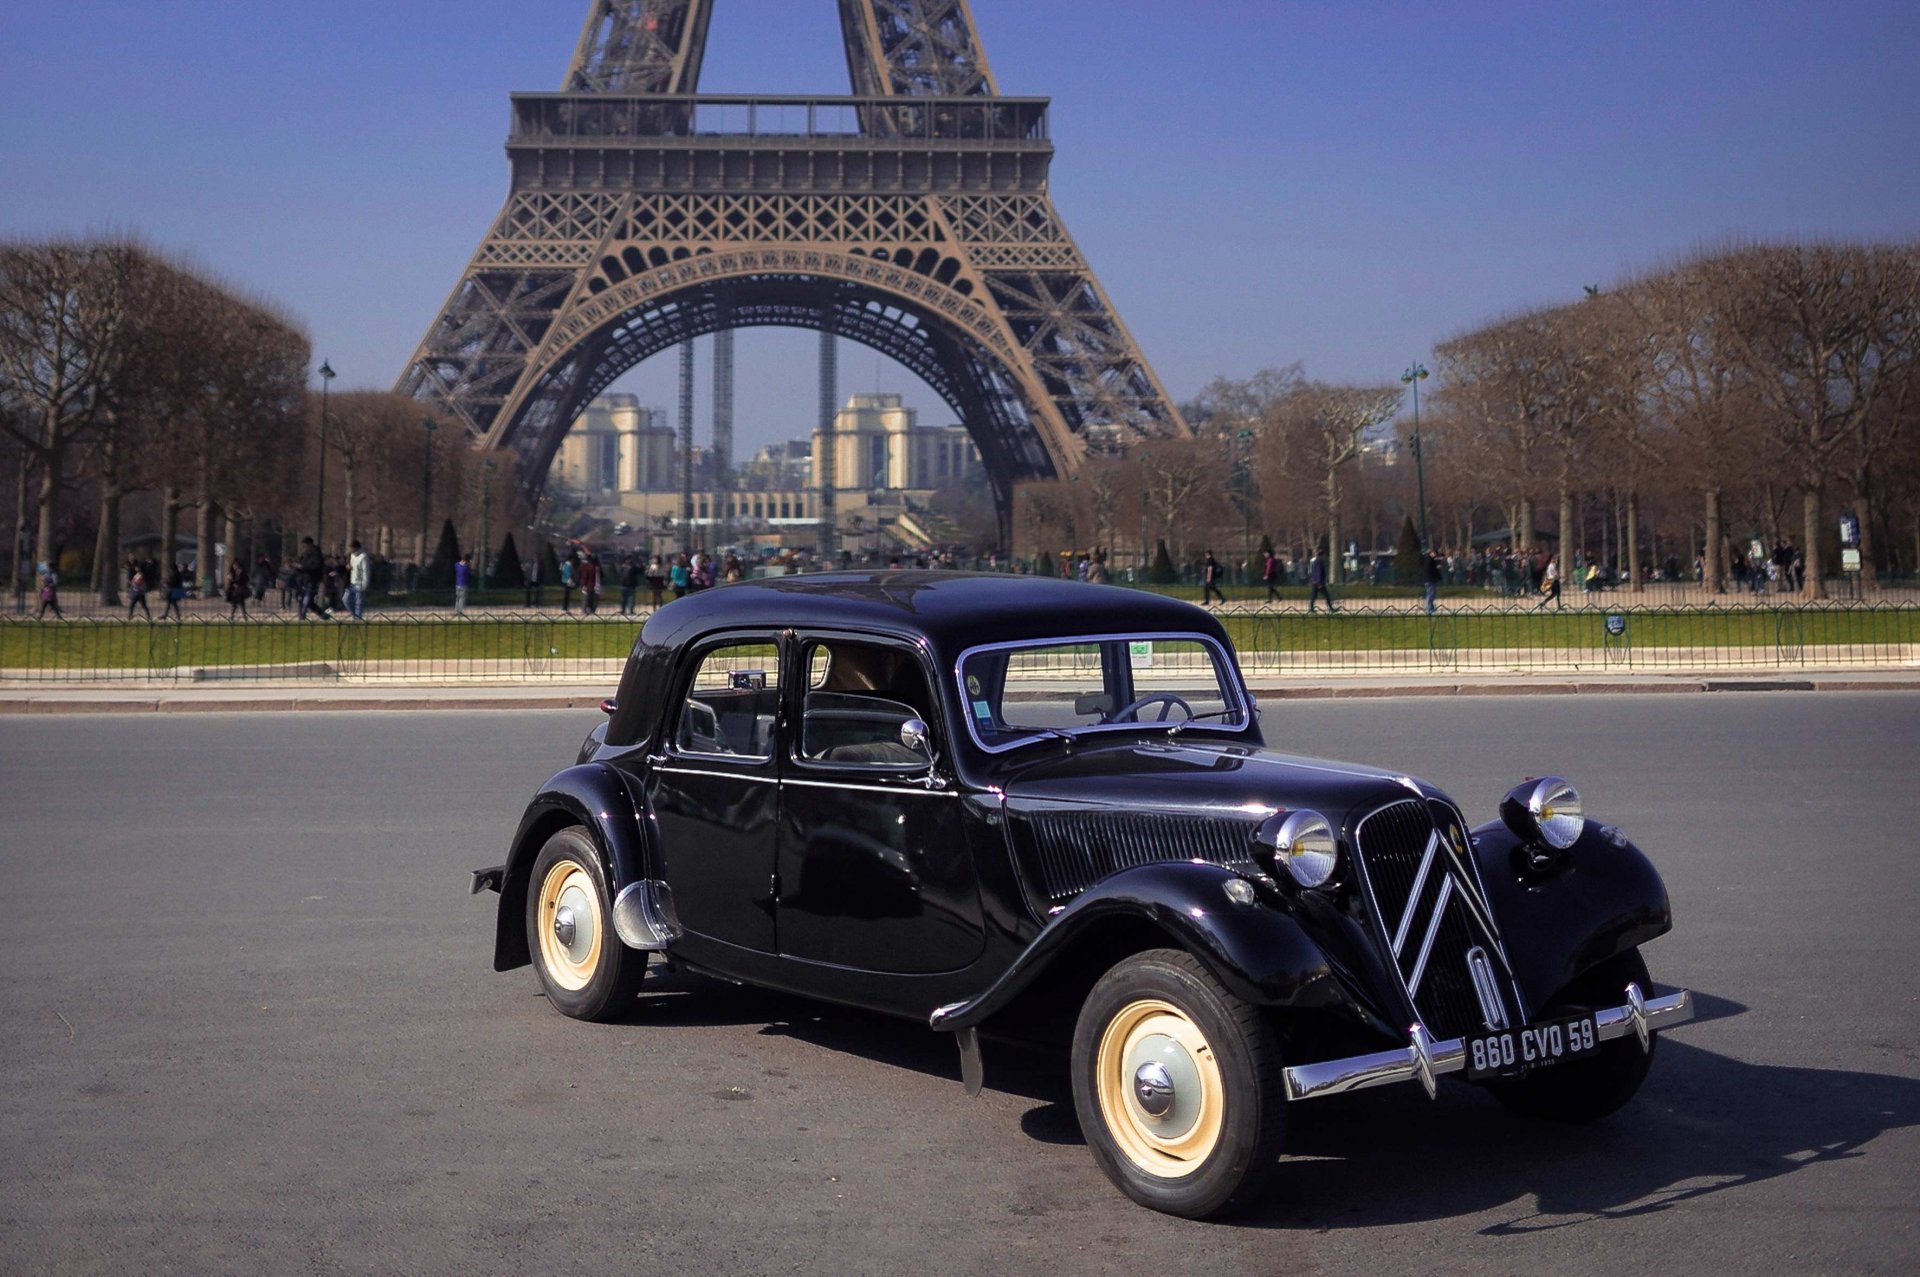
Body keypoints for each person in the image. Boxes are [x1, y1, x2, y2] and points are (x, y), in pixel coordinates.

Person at [297, 537, 329, 620]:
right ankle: (321, 614)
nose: (304, 547)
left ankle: (302, 616)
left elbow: (316, 566)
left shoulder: (316, 554)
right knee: (304, 599)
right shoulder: (305, 553)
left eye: (305, 545)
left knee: (307, 599)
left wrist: (303, 567)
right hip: (304, 579)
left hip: (312, 579)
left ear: (310, 544)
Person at [1307, 547, 1336, 614]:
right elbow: (1318, 572)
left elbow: (1314, 572)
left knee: (1314, 596)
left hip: (1315, 582)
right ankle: (1331, 608)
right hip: (1319, 582)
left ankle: (1311, 609)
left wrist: (1313, 580)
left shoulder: (1315, 561)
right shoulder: (1320, 561)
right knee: (1327, 595)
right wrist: (1319, 582)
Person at [346, 540, 370, 621]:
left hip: (360, 583)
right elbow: (352, 565)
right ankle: (355, 614)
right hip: (352, 582)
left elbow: (365, 571)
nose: (350, 550)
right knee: (346, 599)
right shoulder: (352, 555)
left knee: (359, 602)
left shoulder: (363, 556)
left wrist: (365, 584)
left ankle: (358, 618)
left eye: (351, 548)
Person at [1422, 547, 1443, 615]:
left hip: (1428, 579)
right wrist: (1437, 569)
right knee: (1431, 593)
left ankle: (1431, 607)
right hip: (1430, 579)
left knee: (1430, 593)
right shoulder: (1429, 560)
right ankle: (1429, 608)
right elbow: (1431, 570)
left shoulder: (1427, 559)